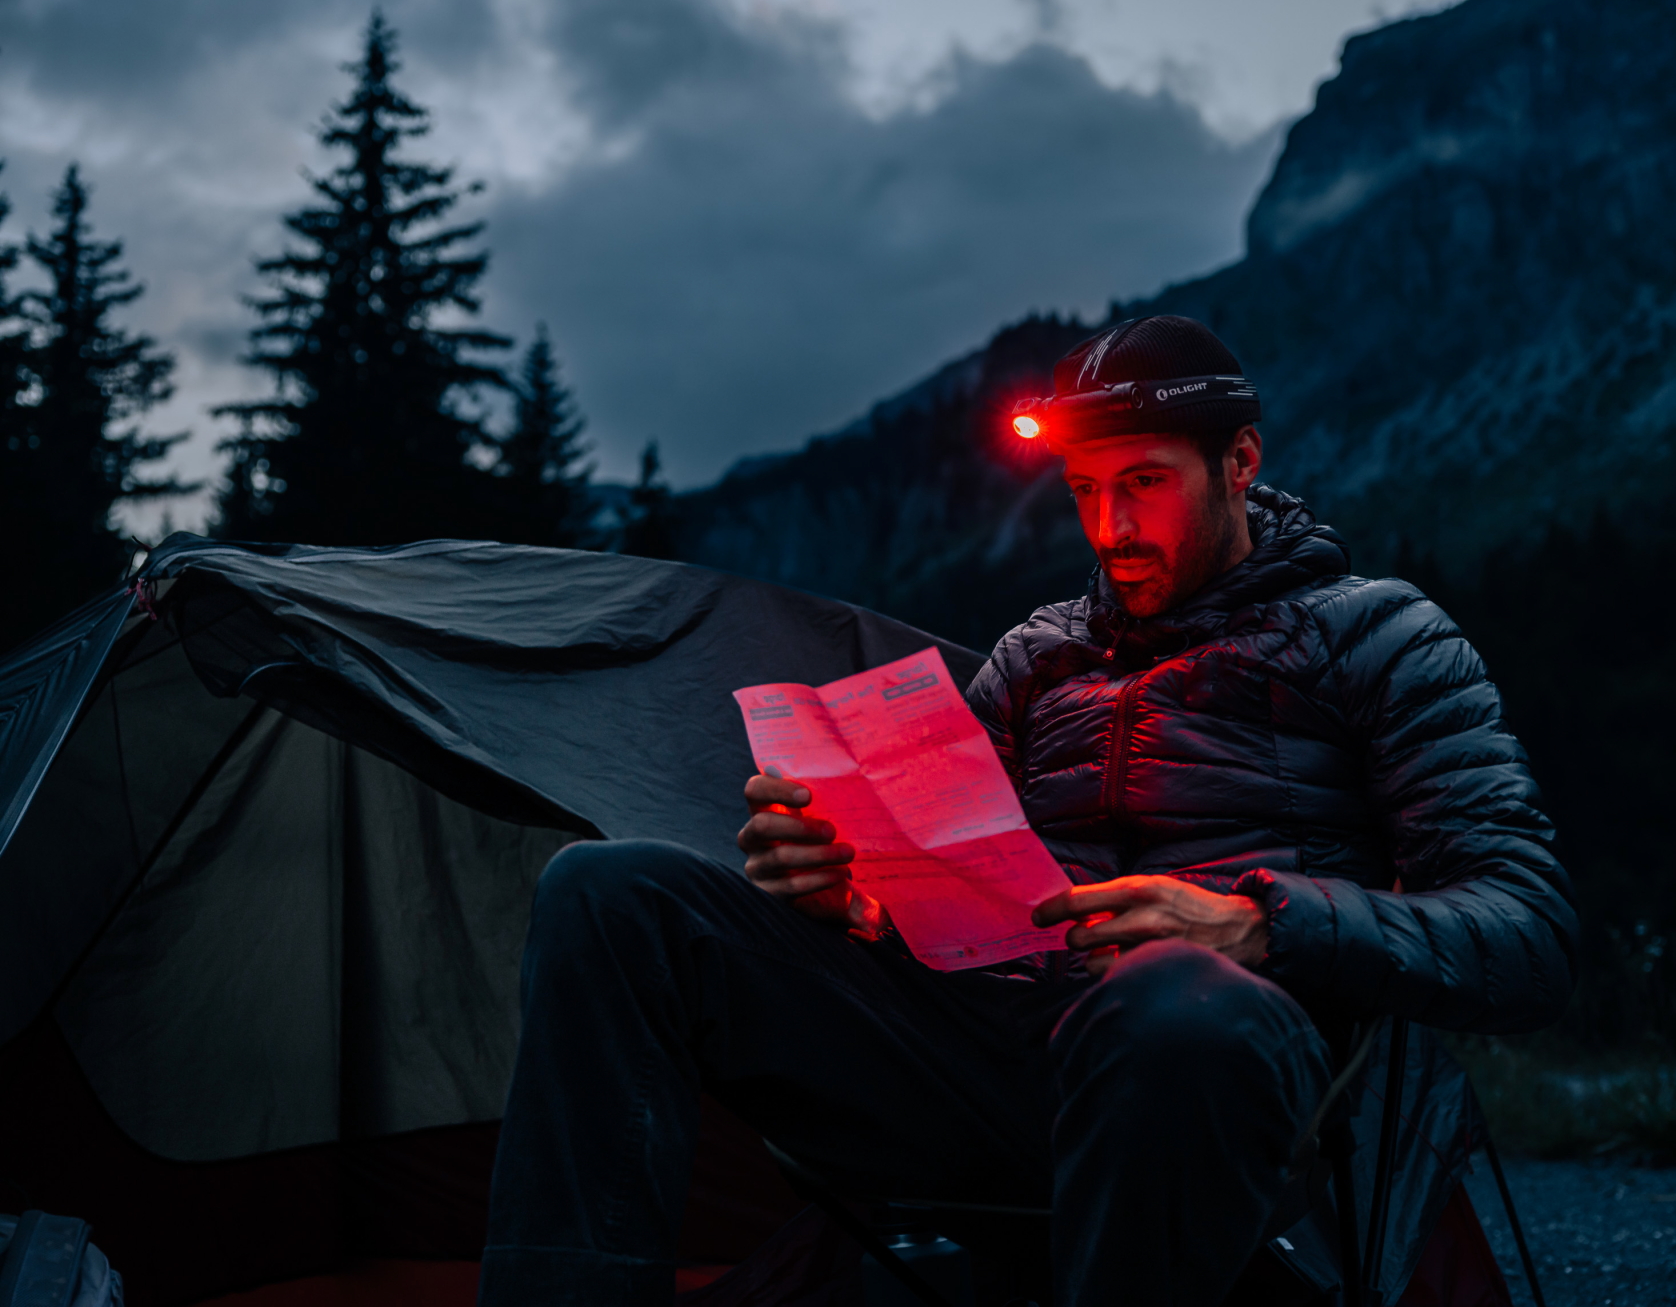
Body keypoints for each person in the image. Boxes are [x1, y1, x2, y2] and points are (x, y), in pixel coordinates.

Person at [480, 316, 1578, 1306]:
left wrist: (1255, 922)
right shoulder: (1032, 659)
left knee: (1172, 994)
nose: (1108, 529)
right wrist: (848, 898)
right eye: (1081, 491)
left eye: (1141, 483)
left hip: (1224, 1071)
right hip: (991, 1068)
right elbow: (963, 898)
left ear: (1240, 462)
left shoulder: (1379, 635)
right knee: (613, 891)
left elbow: (1524, 934)